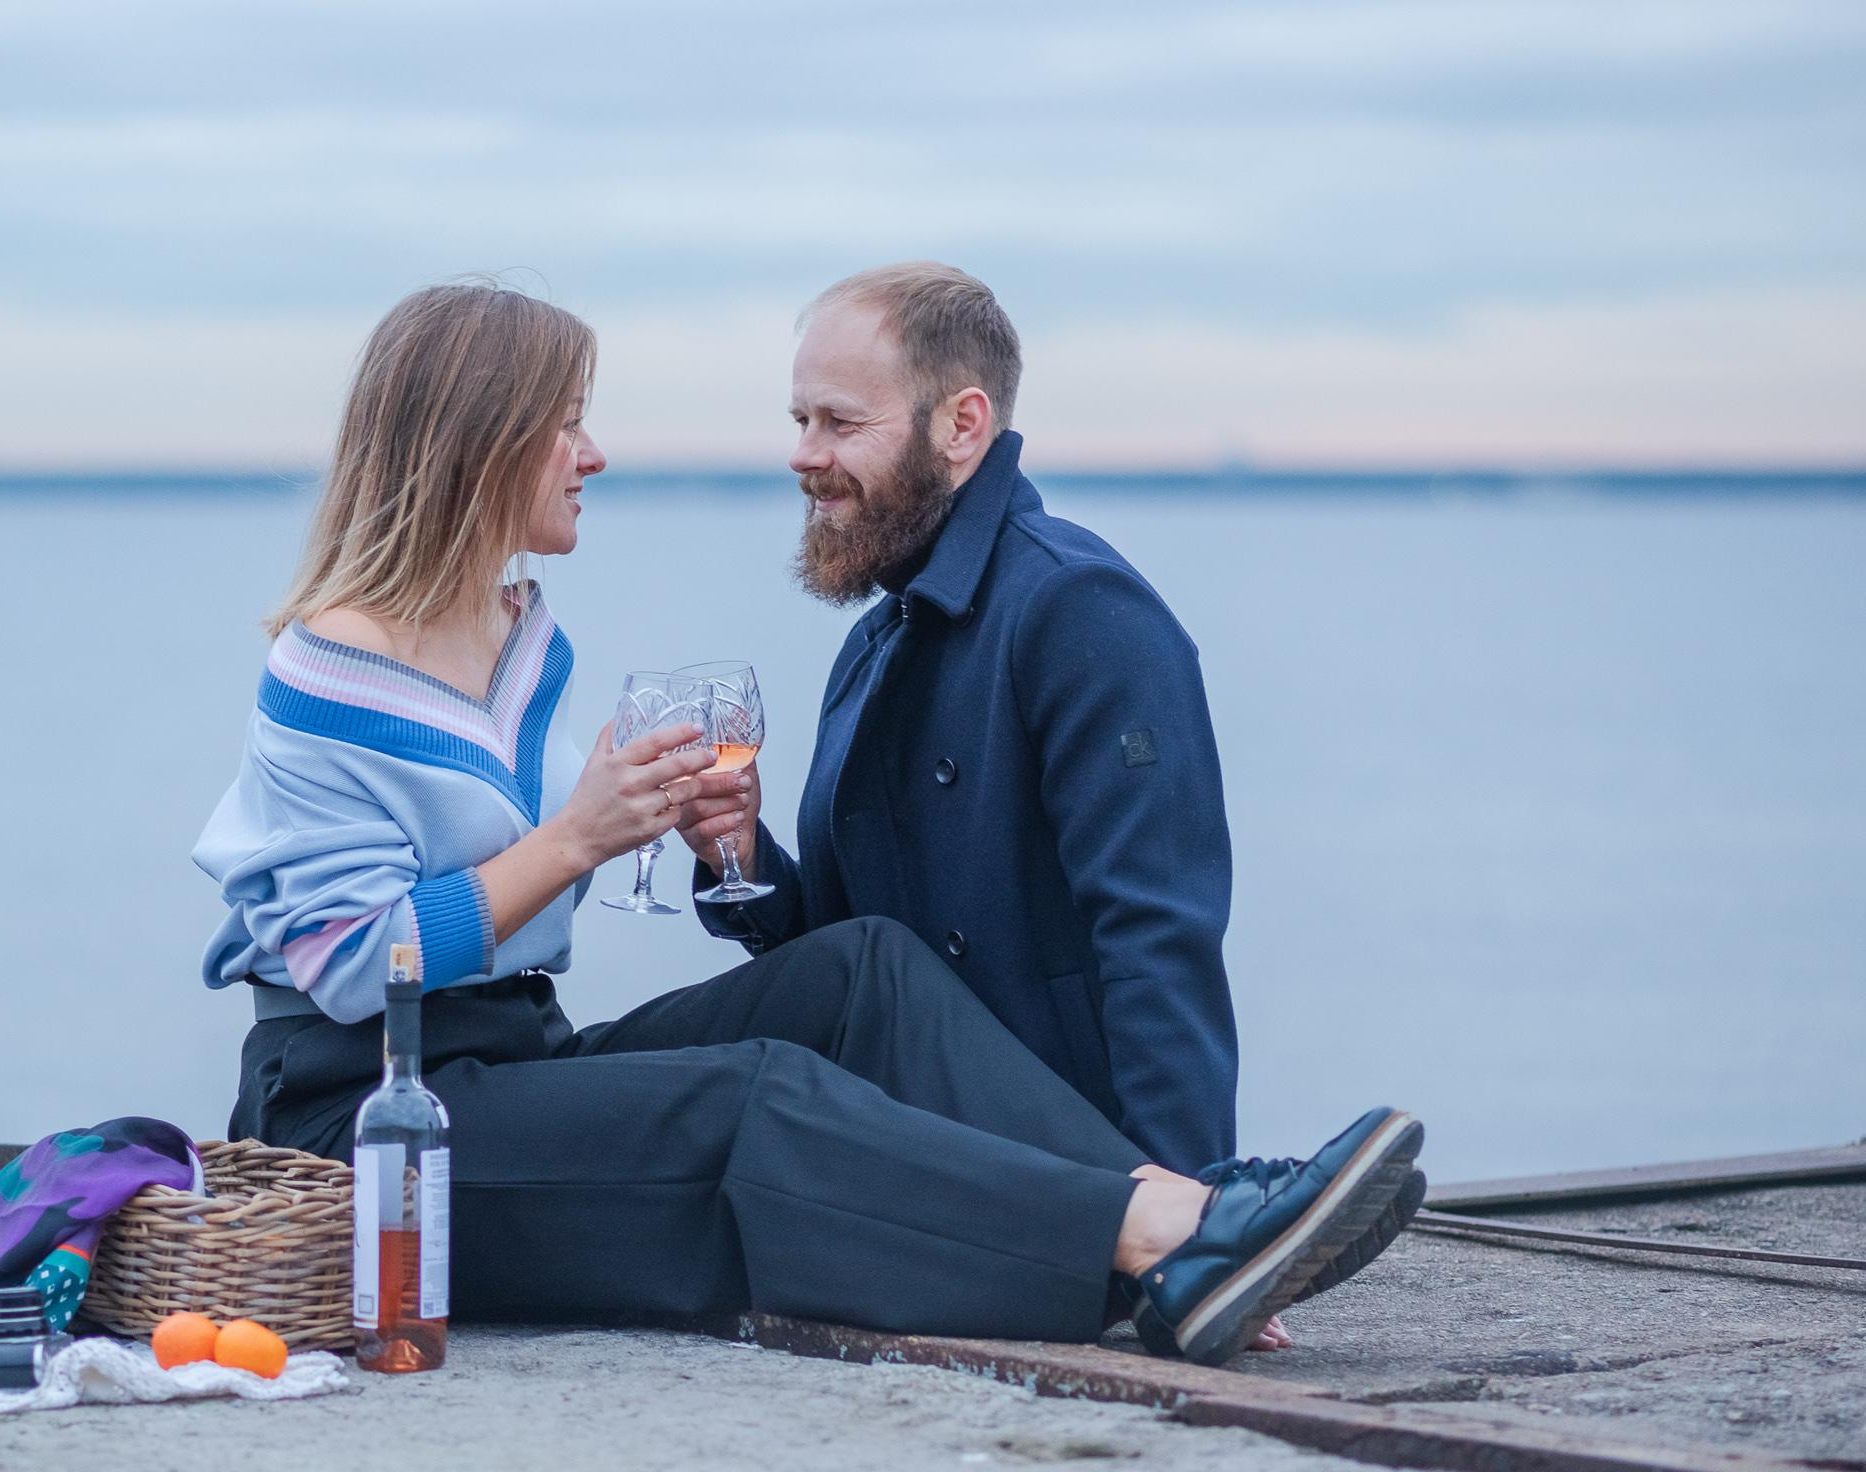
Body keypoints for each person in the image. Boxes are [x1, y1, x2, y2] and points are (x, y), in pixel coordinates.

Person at [191, 280, 1424, 1367]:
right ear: (476, 442)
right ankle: (1163, 1235)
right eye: (566, 421)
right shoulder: (329, 668)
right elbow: (352, 967)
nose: (592, 452)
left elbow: (1151, 930)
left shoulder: (519, 632)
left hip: (510, 1060)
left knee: (860, 975)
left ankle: (1181, 1211)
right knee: (749, 1093)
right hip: (371, 1125)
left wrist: (720, 854)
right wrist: (574, 839)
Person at [670, 263, 1235, 1173]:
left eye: (841, 422)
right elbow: (853, 961)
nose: (804, 455)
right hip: (909, 1161)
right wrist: (740, 856)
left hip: (1069, 1180)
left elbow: (1159, 942)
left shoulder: (1081, 609)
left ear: (963, 425)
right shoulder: (876, 640)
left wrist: (1193, 1227)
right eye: (800, 420)